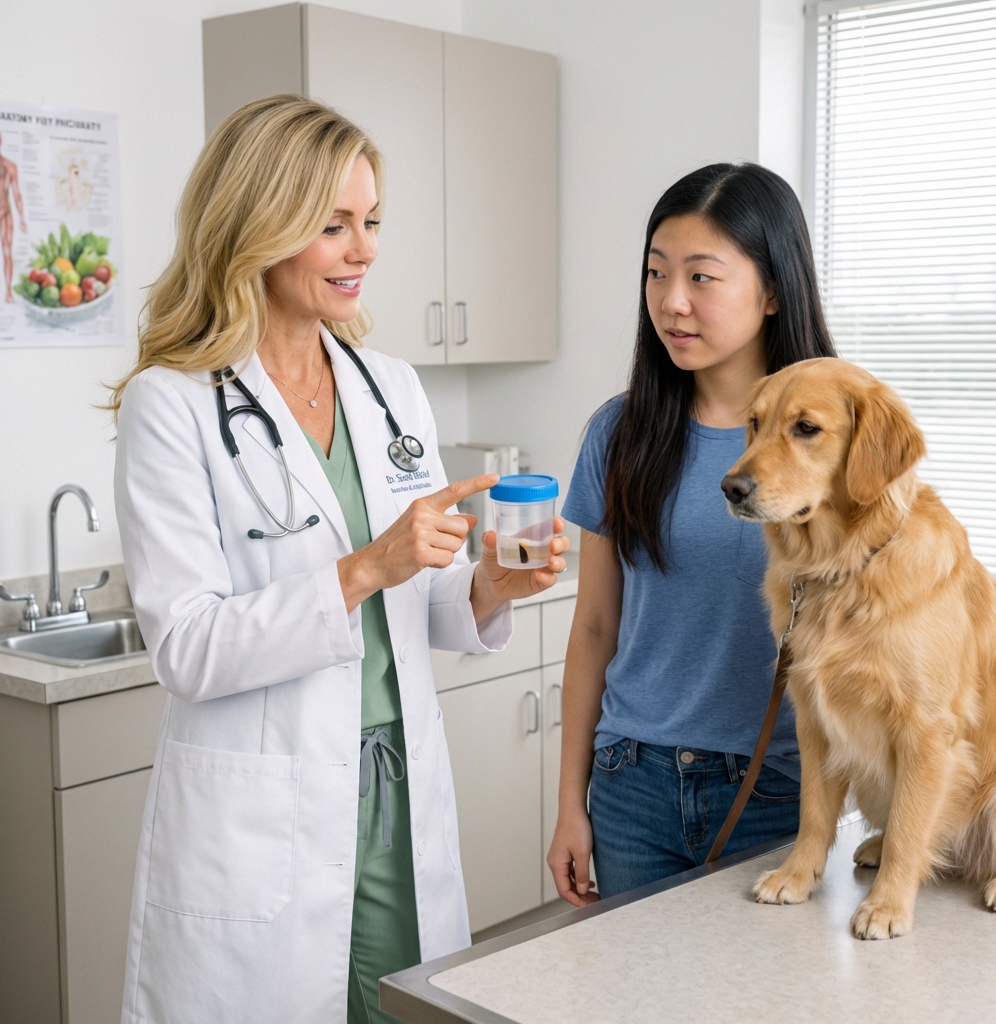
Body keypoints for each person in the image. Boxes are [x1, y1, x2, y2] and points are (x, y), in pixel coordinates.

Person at [110, 95, 569, 1024]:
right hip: (264, 807)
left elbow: (422, 600)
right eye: (333, 226)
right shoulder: (172, 404)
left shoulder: (389, 388)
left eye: (370, 223)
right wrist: (366, 566)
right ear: (258, 224)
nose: (364, 250)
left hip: (397, 793)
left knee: (408, 1008)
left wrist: (486, 583)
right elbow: (188, 649)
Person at [547, 163, 836, 905]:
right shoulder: (620, 433)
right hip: (631, 784)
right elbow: (595, 627)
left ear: (772, 291)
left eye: (702, 277)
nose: (671, 303)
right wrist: (569, 804)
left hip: (777, 787)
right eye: (656, 274)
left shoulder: (833, 441)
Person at [0, 132, 28, 302]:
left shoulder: (10, 166)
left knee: (7, 252)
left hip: (4, 214)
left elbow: (17, 194)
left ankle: (8, 291)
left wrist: (22, 217)